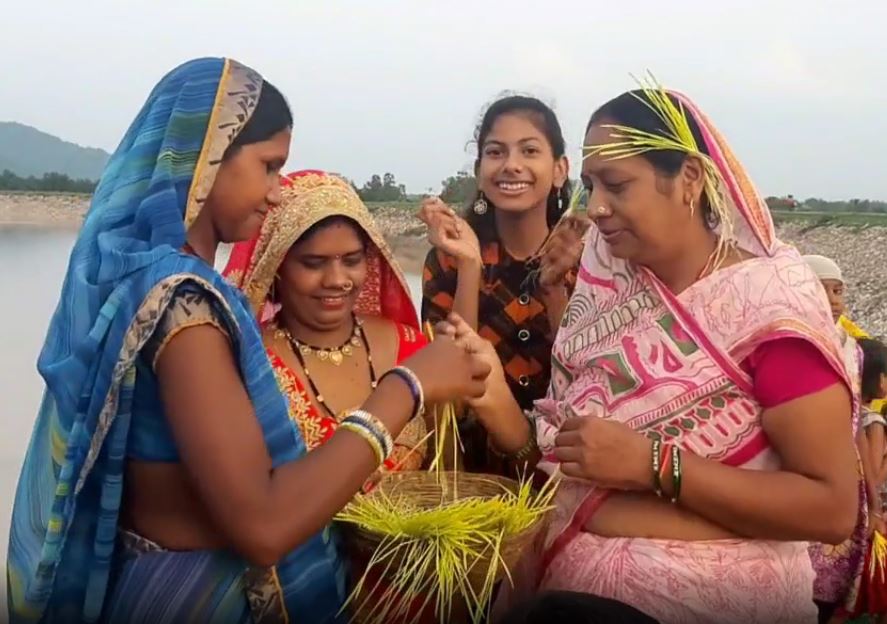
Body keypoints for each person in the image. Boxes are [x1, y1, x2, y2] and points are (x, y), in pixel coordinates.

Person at [6, 58, 489, 624]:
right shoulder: (186, 310)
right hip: (201, 597)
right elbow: (263, 526)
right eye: (268, 166)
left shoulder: (141, 279)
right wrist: (407, 386)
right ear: (208, 160)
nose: (276, 192)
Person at [437, 84, 859, 623]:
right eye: (590, 186)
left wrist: (655, 464)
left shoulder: (767, 307)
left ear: (688, 179)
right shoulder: (609, 279)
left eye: (616, 185)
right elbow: (577, 428)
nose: (598, 208)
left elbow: (830, 508)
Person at [224, 170, 430, 484]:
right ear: (276, 267)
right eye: (313, 263)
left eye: (351, 260)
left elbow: (449, 473)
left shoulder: (410, 346)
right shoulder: (248, 366)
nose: (337, 280)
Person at [419, 95, 585, 472]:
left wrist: (556, 291)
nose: (511, 166)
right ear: (479, 169)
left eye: (529, 151)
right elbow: (449, 392)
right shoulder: (448, 259)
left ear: (559, 169)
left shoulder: (585, 259)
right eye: (495, 153)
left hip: (562, 467)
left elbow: (586, 384)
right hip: (470, 475)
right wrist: (470, 267)